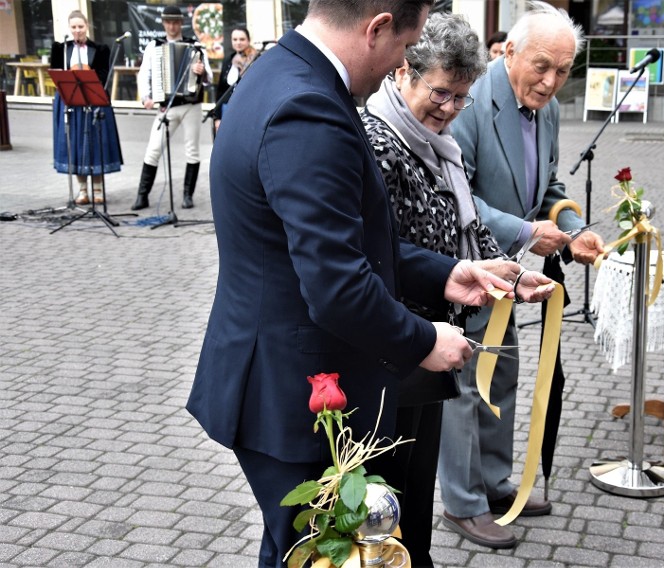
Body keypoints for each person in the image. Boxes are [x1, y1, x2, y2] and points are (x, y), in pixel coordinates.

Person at [185, 2, 519, 566]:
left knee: (295, 552)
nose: (400, 65)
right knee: (321, 554)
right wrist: (425, 341)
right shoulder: (309, 107)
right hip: (296, 396)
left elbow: (351, 241)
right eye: (405, 47)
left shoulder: (280, 70)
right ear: (378, 27)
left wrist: (445, 272)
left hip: (284, 376)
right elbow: (337, 285)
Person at [360, 12, 556, 566]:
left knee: (415, 504)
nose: (448, 110)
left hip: (439, 324)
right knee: (392, 497)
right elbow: (381, 255)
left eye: (460, 98)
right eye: (440, 93)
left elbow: (454, 233)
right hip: (400, 341)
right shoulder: (379, 141)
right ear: (404, 72)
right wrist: (457, 281)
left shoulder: (436, 144)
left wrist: (500, 274)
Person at [437, 1, 605, 549]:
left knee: (501, 373)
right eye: (541, 66)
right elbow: (456, 196)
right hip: (464, 265)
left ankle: (494, 482)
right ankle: (462, 505)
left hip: (508, 267)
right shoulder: (470, 103)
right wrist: (528, 233)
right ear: (508, 52)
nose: (552, 81)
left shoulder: (546, 108)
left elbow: (550, 186)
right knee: (465, 382)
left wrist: (574, 226)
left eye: (563, 70)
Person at [131, 5, 212, 211]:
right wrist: (146, 98)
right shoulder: (154, 46)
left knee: (192, 151)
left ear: (181, 23)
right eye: (168, 22)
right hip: (166, 107)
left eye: (175, 22)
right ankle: (142, 195)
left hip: (191, 105)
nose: (172, 26)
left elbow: (209, 78)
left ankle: (187, 195)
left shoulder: (195, 46)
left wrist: (200, 71)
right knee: (153, 149)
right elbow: (144, 74)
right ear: (163, 23)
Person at [50, 10, 123, 205]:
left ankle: (98, 189)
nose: (77, 31)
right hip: (70, 101)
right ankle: (82, 191)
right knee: (74, 144)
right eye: (73, 27)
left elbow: (104, 74)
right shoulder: (60, 49)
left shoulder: (100, 49)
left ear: (87, 26)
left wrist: (86, 74)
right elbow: (56, 75)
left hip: (92, 99)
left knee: (96, 144)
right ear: (69, 28)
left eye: (80, 27)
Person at [212, 26, 258, 131]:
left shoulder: (256, 59)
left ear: (248, 40)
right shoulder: (228, 60)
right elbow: (221, 90)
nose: (238, 42)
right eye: (235, 39)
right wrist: (217, 117)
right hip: (227, 108)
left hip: (248, 109)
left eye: (242, 39)